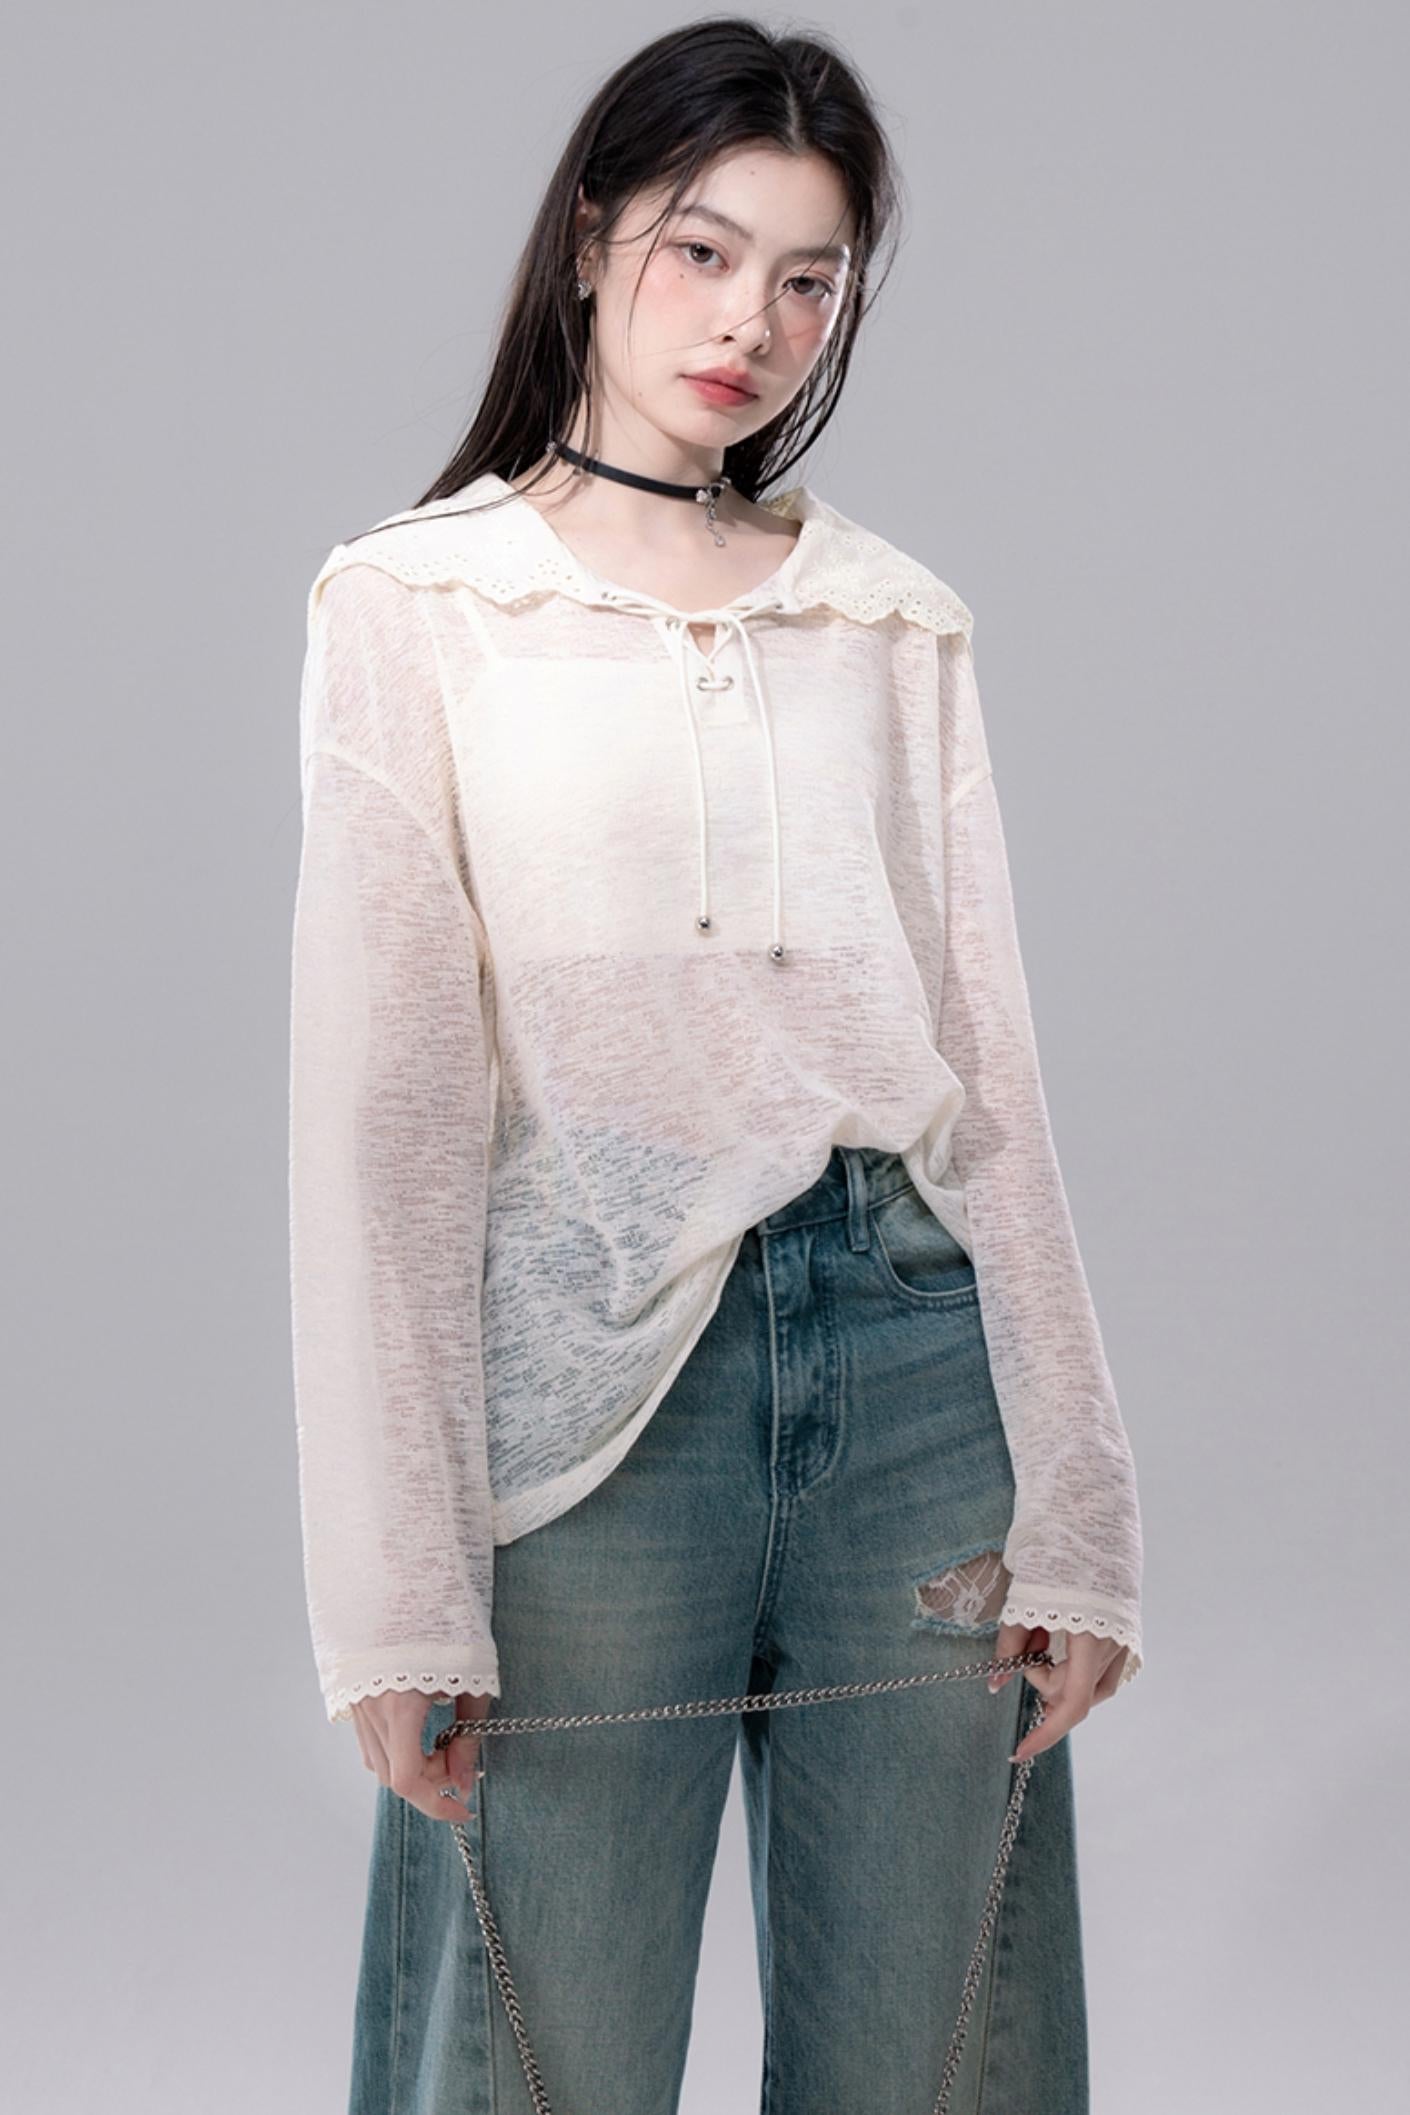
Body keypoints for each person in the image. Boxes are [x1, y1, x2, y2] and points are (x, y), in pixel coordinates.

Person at [287, 18, 1144, 2113]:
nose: (748, 322)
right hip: (589, 1400)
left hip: (913, 1371)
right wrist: (392, 1594)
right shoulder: (420, 605)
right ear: (593, 240)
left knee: (940, 2057)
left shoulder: (888, 625)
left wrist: (1083, 1511)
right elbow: (389, 1123)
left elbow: (990, 1072)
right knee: (530, 2050)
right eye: (702, 251)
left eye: (807, 279)